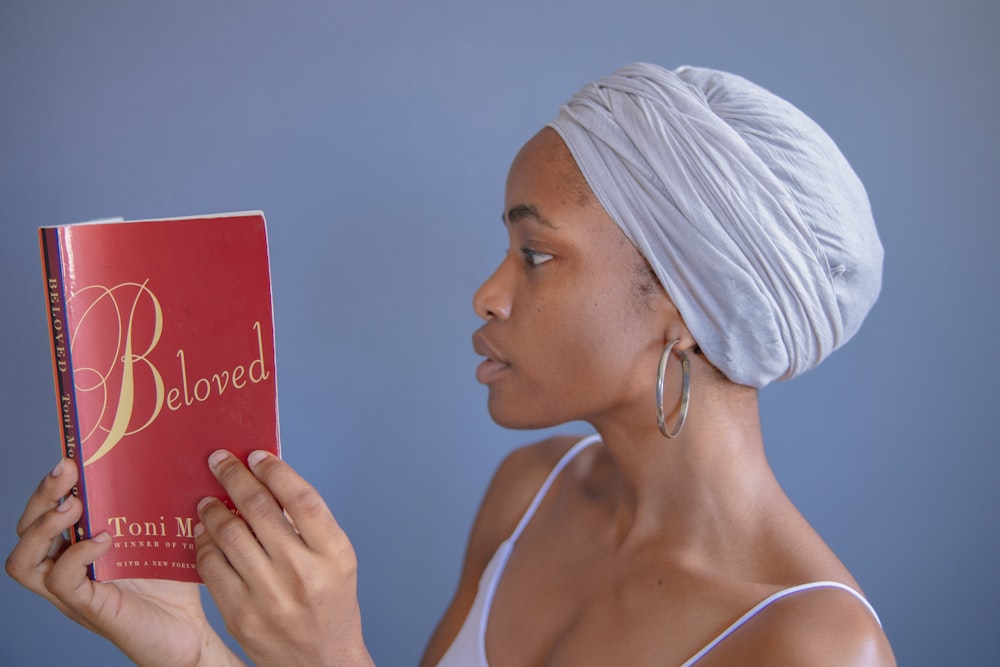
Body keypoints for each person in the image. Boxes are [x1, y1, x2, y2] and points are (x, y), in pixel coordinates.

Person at [7, 63, 896, 666]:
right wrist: (193, 650)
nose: (488, 293)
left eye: (536, 254)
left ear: (687, 305)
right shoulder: (530, 492)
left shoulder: (811, 644)